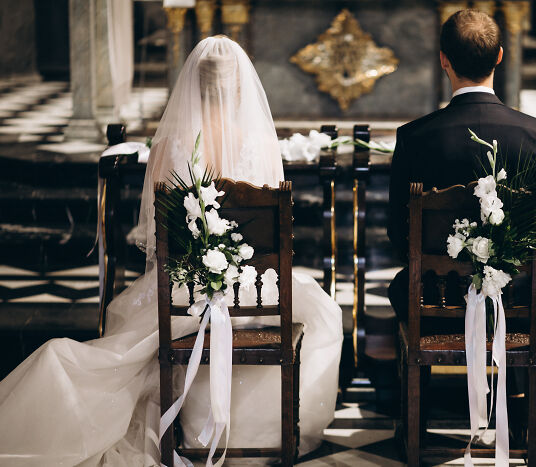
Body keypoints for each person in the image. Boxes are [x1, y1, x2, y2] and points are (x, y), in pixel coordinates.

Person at [0, 36, 342, 466]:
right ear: (240, 87)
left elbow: (156, 240)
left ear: (192, 86)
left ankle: (189, 429)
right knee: (324, 312)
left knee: (136, 320)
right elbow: (272, 235)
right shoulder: (259, 143)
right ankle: (268, 432)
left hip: (183, 293)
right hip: (256, 294)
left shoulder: (168, 147)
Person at [387, 9, 536, 324]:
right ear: (500, 56)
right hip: (519, 298)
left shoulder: (413, 137)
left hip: (433, 300)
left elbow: (398, 233)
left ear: (443, 59)